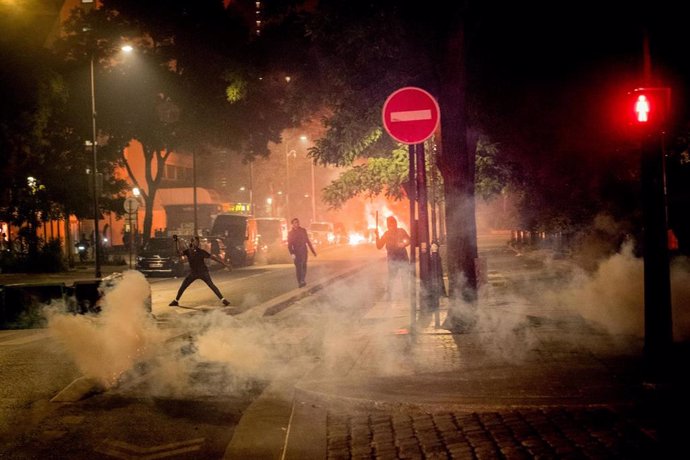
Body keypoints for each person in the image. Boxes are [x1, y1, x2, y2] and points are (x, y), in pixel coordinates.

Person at [169, 235, 231, 307]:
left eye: (198, 242)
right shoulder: (188, 251)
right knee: (183, 286)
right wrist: (176, 242)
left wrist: (225, 264)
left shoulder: (201, 251)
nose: (197, 243)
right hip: (193, 273)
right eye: (196, 241)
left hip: (203, 272)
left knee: (211, 285)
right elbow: (178, 253)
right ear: (192, 242)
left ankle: (223, 300)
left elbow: (213, 258)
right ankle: (176, 301)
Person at [376, 216, 411, 300]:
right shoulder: (386, 234)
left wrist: (404, 244)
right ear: (388, 225)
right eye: (389, 224)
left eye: (393, 224)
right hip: (392, 258)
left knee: (405, 276)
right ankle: (389, 295)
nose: (391, 226)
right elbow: (379, 246)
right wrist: (377, 236)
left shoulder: (401, 231)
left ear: (395, 224)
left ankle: (406, 294)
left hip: (402, 256)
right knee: (391, 277)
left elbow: (409, 240)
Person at [287, 218, 317, 288]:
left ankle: (303, 279)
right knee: (298, 267)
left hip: (303, 251)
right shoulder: (290, 233)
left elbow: (307, 241)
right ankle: (300, 281)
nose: (296, 224)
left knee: (303, 266)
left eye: (297, 222)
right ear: (292, 224)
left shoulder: (303, 231)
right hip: (296, 253)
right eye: (295, 223)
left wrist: (313, 251)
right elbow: (289, 245)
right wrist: (292, 253)